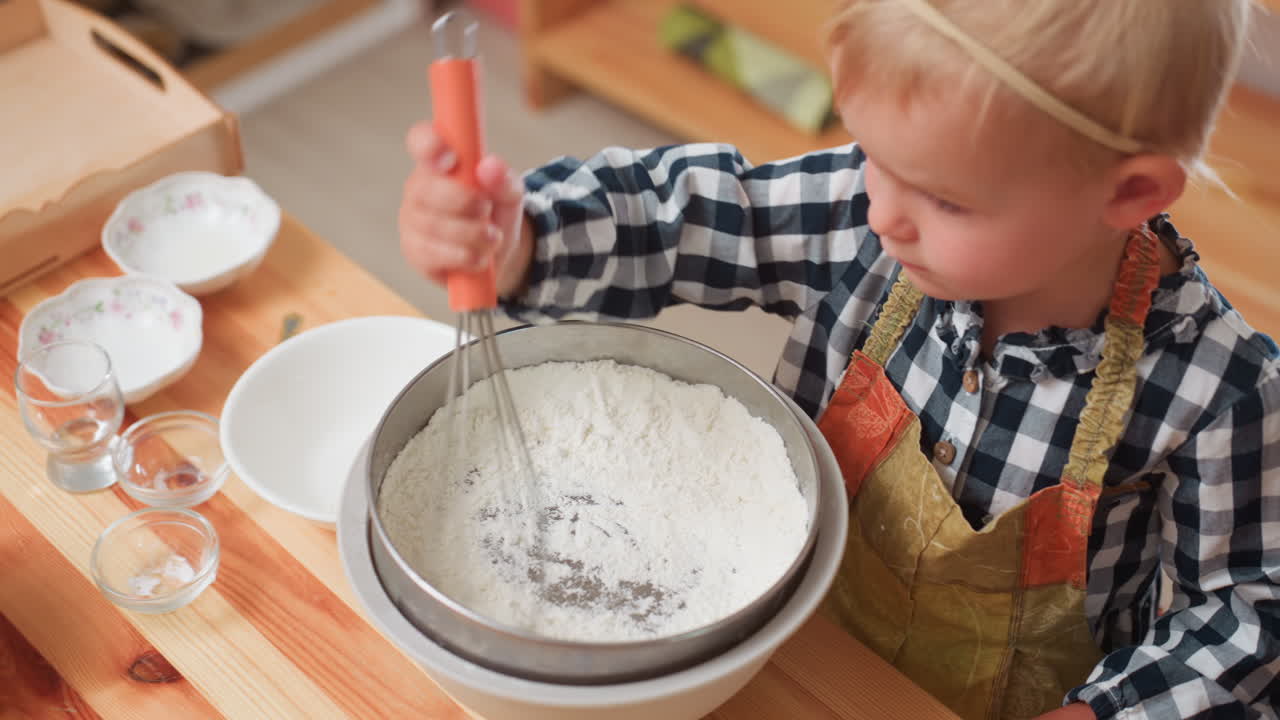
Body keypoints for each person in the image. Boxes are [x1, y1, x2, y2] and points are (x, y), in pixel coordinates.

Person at [397, 0, 1279, 717]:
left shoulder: (1221, 391)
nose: (883, 212)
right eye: (873, 156)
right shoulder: (869, 219)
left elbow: (1247, 616)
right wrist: (522, 237)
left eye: (941, 196)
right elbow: (696, 215)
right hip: (779, 651)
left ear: (1128, 192)